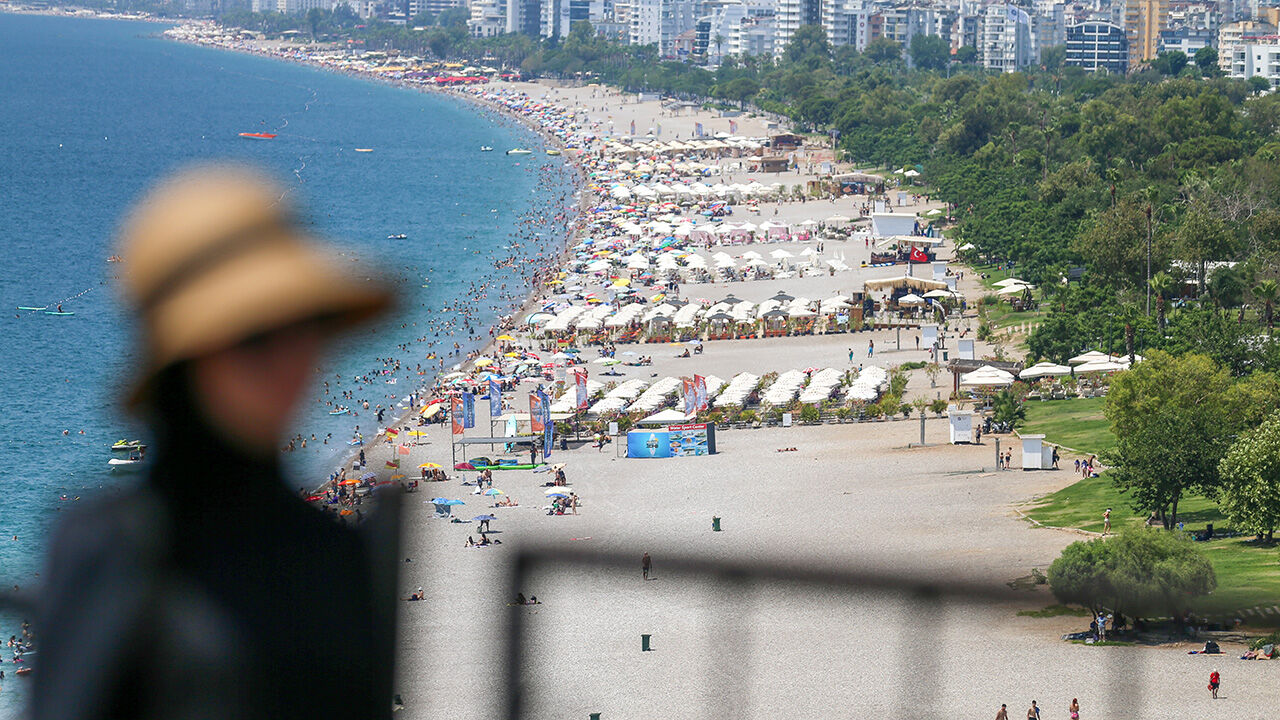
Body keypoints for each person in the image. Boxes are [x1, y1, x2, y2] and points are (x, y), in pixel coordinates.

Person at [31, 166, 397, 720]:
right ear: (186, 361)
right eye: (255, 337)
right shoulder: (115, 548)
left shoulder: (335, 550)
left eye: (305, 323)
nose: (291, 358)